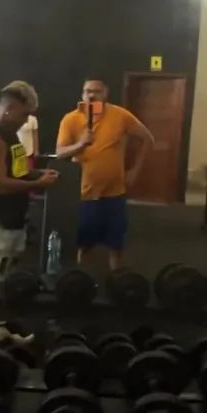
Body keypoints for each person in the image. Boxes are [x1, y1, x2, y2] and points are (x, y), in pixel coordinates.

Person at [56, 79, 154, 272]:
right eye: (87, 91)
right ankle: (80, 281)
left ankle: (116, 281)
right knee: (83, 246)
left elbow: (147, 139)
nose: (91, 95)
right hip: (85, 194)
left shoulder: (120, 115)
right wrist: (81, 144)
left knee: (116, 248)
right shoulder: (71, 119)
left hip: (114, 193)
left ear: (105, 93)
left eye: (97, 91)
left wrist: (135, 170)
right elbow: (60, 153)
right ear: (82, 94)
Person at [0, 81, 58, 281]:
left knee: (8, 276)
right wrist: (38, 184)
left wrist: (38, 174)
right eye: (24, 114)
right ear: (9, 109)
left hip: (14, 219)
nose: (25, 121)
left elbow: (17, 171)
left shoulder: (9, 137)